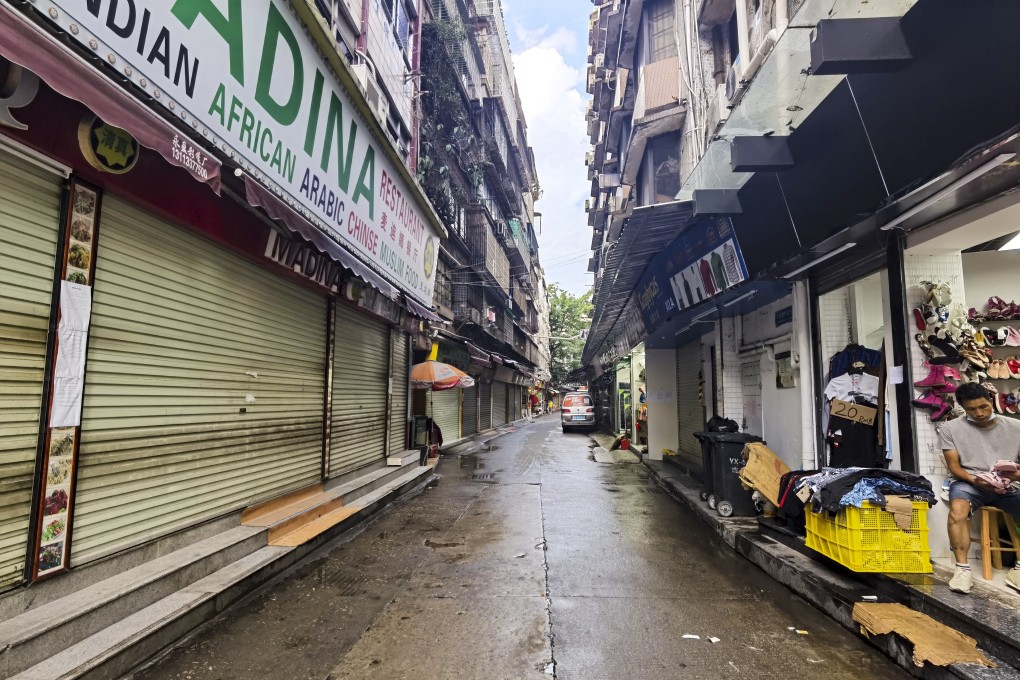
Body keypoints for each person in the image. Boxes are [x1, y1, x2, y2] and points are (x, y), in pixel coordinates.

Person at [940, 382, 1020, 593]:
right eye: (972, 410)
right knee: (958, 511)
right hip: (970, 482)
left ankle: (1019, 569)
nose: (979, 413)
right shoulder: (950, 428)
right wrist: (976, 480)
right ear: (963, 409)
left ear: (991, 401)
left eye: (983, 407)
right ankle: (962, 569)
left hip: (1008, 483)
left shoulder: (1016, 427)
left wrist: (1015, 475)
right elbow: (954, 467)